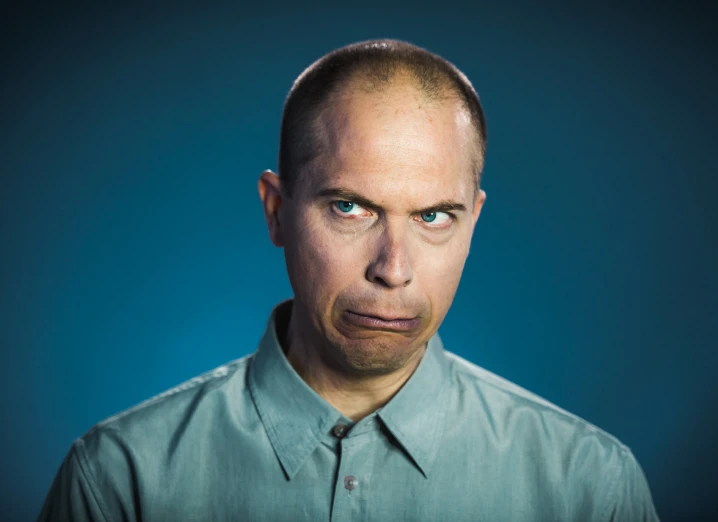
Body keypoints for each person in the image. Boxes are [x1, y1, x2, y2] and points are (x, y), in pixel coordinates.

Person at [39, 39, 659, 521]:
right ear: (276, 211)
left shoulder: (591, 487)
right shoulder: (120, 482)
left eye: (434, 216)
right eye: (349, 208)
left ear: (473, 222)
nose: (392, 268)